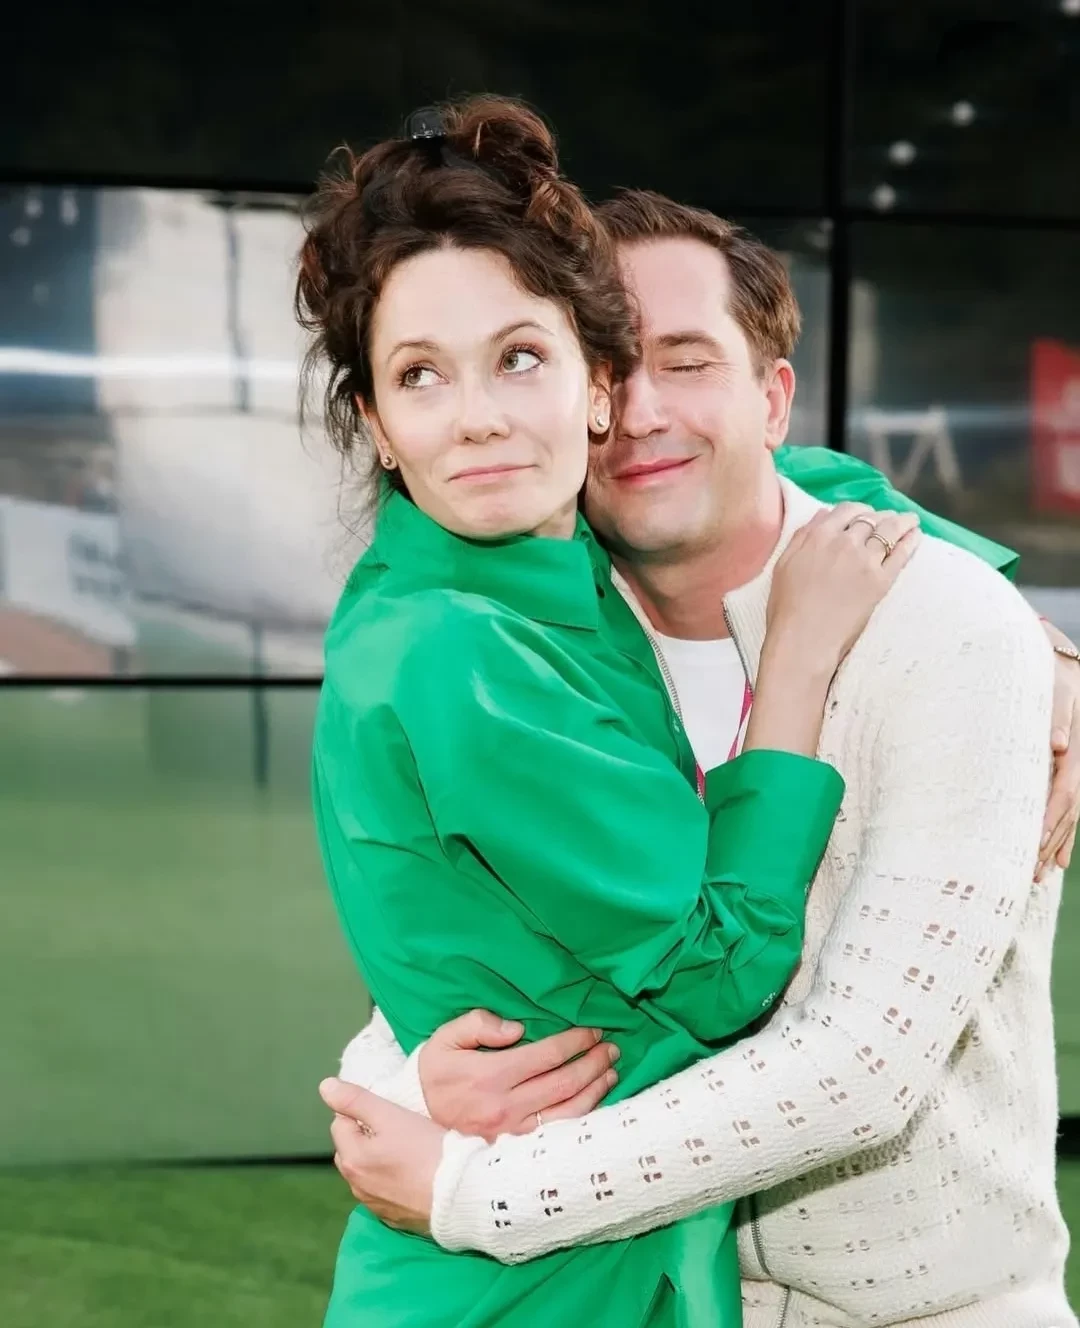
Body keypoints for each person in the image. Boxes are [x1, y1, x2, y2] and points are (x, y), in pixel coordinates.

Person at [321, 184, 1080, 1328]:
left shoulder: (943, 628)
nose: (639, 411)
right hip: (676, 1291)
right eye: (611, 363)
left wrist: (477, 1188)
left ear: (773, 397)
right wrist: (398, 1079)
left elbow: (863, 1064)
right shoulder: (549, 630)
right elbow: (486, 935)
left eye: (685, 362)